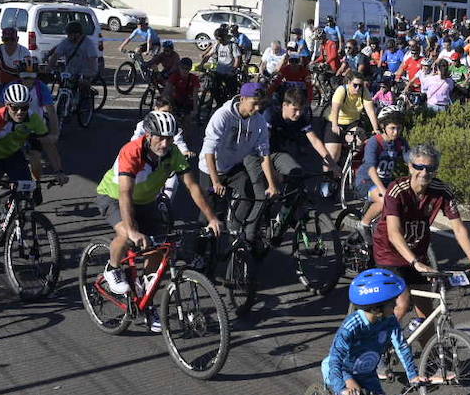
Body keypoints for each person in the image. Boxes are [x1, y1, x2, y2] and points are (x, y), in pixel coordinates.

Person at [96, 112, 222, 326]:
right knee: (127, 236)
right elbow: (126, 193)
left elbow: (192, 186)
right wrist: (133, 229)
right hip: (114, 196)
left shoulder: (173, 153)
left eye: (170, 138)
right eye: (160, 138)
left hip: (145, 201)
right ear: (148, 134)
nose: (165, 143)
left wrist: (211, 218)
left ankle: (147, 303)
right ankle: (112, 268)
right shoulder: (132, 151)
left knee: (159, 248)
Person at [370, 142, 470, 337]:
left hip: (418, 252)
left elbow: (458, 228)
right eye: (419, 167)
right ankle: (378, 347)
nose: (424, 172)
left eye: (430, 168)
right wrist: (415, 263)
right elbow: (394, 233)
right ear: (410, 166)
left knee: (427, 313)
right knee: (402, 302)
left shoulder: (442, 191)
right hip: (390, 252)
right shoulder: (396, 190)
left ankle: (433, 361)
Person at [322, 269, 427, 395]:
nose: (397, 306)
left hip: (367, 374)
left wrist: (413, 375)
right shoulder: (352, 325)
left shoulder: (388, 321)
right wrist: (344, 386)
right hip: (343, 371)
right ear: (377, 307)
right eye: (392, 303)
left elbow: (401, 346)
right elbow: (335, 359)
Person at [0, 83, 64, 270]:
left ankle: (7, 217)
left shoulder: (33, 119)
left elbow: (48, 145)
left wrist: (58, 171)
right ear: (7, 105)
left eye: (24, 107)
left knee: (27, 192)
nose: (19, 112)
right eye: (14, 107)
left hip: (12, 156)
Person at [200, 81, 278, 245]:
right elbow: (209, 150)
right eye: (254, 104)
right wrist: (215, 181)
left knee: (248, 191)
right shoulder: (223, 115)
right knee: (208, 216)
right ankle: (199, 254)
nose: (257, 109)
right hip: (211, 169)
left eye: (260, 105)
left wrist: (271, 184)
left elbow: (264, 154)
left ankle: (235, 226)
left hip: (232, 167)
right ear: (242, 98)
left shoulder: (259, 122)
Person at [266, 88, 336, 195]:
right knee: (263, 191)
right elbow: (263, 146)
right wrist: (271, 172)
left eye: (301, 110)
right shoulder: (271, 115)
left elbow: (315, 141)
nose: (298, 113)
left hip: (278, 153)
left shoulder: (301, 118)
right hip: (261, 153)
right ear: (284, 105)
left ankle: (287, 208)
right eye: (295, 109)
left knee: (297, 176)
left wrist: (332, 164)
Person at [356, 111, 408, 224]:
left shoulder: (400, 142)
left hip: (387, 181)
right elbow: (371, 170)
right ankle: (364, 224)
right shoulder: (374, 142)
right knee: (384, 200)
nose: (396, 132)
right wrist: (382, 190)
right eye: (392, 128)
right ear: (383, 127)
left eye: (399, 128)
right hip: (366, 181)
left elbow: (409, 162)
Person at [324, 72, 379, 163]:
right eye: (355, 85)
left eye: (360, 85)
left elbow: (370, 111)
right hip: (336, 121)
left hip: (353, 122)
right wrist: (334, 125)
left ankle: (347, 160)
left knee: (359, 139)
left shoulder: (364, 91)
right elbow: (335, 110)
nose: (358, 88)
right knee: (332, 157)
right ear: (348, 82)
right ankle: (327, 175)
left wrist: (376, 129)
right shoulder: (341, 90)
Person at [40, 20, 101, 101]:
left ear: (77, 34)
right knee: (62, 82)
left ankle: (86, 100)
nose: (68, 36)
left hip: (86, 70)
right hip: (71, 70)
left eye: (70, 34)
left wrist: (88, 73)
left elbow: (92, 60)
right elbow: (56, 54)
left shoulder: (88, 44)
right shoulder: (66, 42)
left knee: (82, 85)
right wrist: (49, 68)